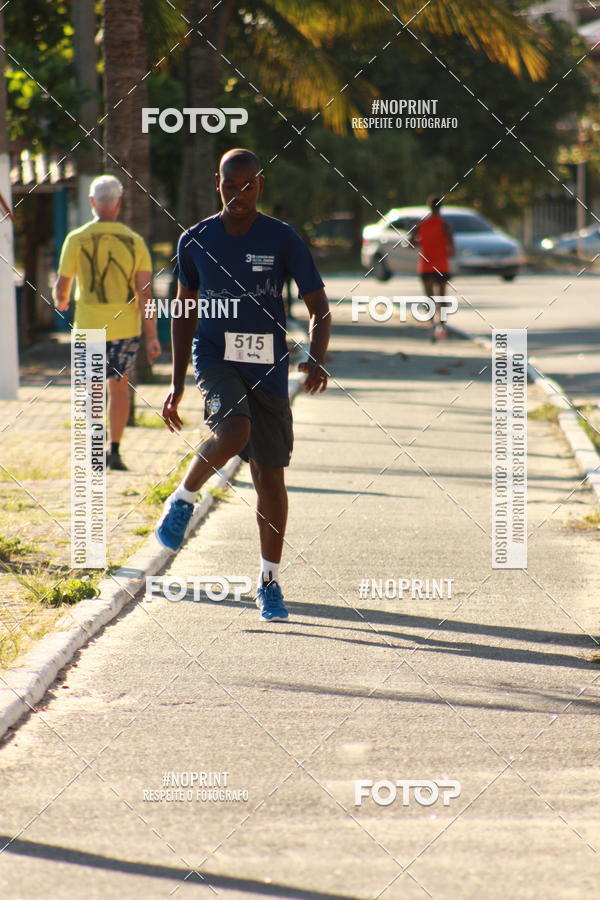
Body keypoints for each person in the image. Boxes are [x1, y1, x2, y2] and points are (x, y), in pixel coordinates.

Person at [156, 148, 330, 623]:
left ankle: (269, 582)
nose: (238, 195)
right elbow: (184, 310)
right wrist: (176, 385)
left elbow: (318, 304)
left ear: (260, 184)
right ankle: (184, 498)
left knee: (269, 479)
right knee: (234, 433)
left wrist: (317, 355)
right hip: (215, 357)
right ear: (218, 184)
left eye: (247, 186)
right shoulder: (195, 241)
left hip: (267, 365)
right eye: (230, 186)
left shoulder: (282, 238)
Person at [53, 175, 161, 470]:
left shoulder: (75, 239)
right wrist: (152, 336)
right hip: (125, 328)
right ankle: (114, 450)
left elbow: (62, 286)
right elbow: (145, 293)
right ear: (119, 203)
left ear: (91, 203)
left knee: (93, 389)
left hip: (88, 325)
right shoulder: (135, 242)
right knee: (118, 388)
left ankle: (96, 445)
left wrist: (60, 300)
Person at [412, 195, 455, 341]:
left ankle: (431, 325)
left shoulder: (422, 224)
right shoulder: (444, 225)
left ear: (429, 207)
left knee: (429, 297)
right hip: (441, 264)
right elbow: (452, 246)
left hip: (425, 265)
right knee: (442, 296)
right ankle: (442, 326)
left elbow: (411, 241)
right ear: (441, 207)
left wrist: (423, 243)